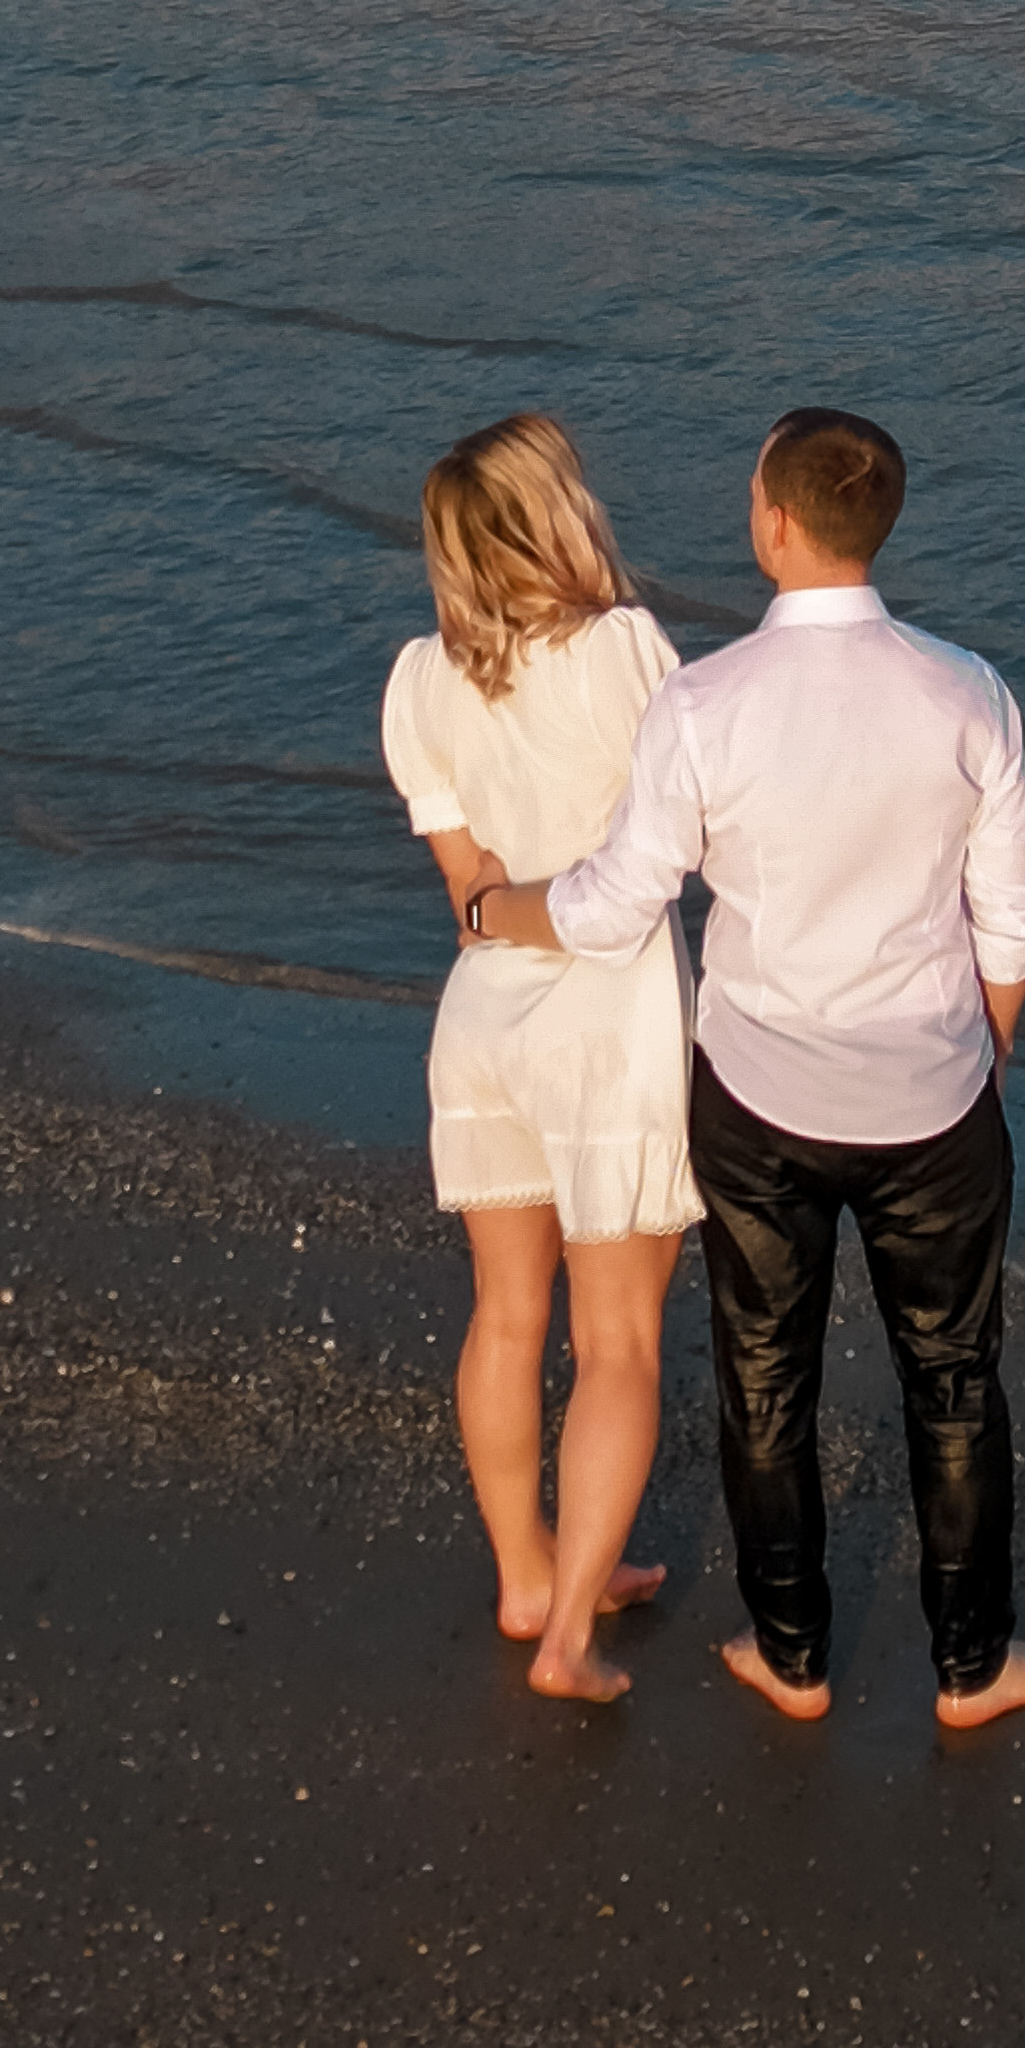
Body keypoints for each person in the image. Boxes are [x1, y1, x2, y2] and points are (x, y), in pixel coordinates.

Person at [460, 408, 1025, 1732]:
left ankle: (791, 1652)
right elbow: (1012, 925)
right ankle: (974, 1667)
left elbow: (620, 906)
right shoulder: (970, 691)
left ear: (772, 521)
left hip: (756, 1101)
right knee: (954, 1380)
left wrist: (495, 912)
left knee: (763, 1377)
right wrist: (985, 1058)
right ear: (875, 527)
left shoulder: (704, 702)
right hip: (933, 1097)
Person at [380, 413, 701, 1705]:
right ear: (559, 515)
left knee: (507, 1315)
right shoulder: (625, 650)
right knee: (619, 1337)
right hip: (606, 1023)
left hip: (481, 1022)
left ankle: (530, 1572)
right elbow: (690, 826)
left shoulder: (421, 679)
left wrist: (513, 903)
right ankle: (569, 1634)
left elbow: (468, 890)